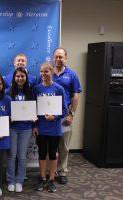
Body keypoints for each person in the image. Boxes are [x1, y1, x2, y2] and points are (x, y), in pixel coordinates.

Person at [32, 62, 67, 193]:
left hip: (55, 129)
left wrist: (55, 117)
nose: (43, 74)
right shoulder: (36, 89)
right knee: (41, 154)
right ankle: (42, 177)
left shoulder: (59, 89)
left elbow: (64, 110)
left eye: (46, 71)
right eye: (41, 72)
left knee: (52, 154)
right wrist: (34, 125)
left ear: (52, 72)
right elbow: (32, 110)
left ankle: (51, 179)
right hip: (41, 128)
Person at [52, 47, 82, 184]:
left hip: (64, 116)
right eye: (56, 57)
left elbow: (75, 96)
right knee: (49, 146)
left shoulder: (72, 74)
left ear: (66, 58)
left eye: (61, 57)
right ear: (53, 58)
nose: (58, 59)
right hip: (48, 118)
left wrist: (72, 114)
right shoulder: (47, 72)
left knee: (64, 146)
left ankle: (62, 171)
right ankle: (49, 172)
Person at [5, 68, 32, 192]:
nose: (20, 78)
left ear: (26, 77)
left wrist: (34, 119)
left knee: (22, 156)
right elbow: (4, 110)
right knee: (11, 155)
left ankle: (19, 180)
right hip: (12, 128)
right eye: (18, 76)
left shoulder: (31, 91)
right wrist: (8, 118)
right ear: (14, 78)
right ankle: (11, 180)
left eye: (22, 76)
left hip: (26, 128)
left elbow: (35, 109)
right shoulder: (7, 92)